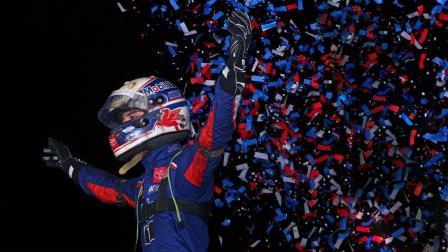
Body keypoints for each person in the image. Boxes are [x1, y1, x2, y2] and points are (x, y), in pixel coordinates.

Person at [42, 9, 252, 252]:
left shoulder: (185, 168)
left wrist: (235, 66)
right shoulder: (143, 185)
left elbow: (215, 134)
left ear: (162, 110)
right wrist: (69, 164)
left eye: (132, 116)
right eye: (124, 119)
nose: (125, 125)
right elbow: (107, 187)